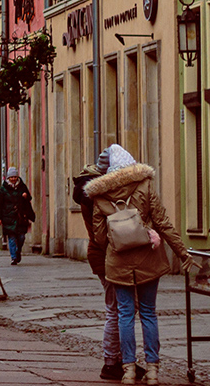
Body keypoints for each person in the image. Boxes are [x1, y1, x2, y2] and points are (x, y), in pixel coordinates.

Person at [85, 144, 195, 385]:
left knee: (124, 314)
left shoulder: (100, 196)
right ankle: (153, 370)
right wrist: (182, 252)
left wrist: (119, 242)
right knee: (148, 313)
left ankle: (128, 371)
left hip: (118, 262)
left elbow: (100, 236)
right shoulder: (145, 186)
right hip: (148, 258)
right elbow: (163, 222)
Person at [75, 148, 136, 381]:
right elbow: (102, 234)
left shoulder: (90, 192)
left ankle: (118, 360)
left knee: (120, 308)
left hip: (101, 255)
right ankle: (111, 362)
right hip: (104, 255)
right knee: (116, 308)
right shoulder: (95, 195)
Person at [0, 166, 35, 265]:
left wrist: (26, 196)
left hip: (20, 217)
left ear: (17, 177)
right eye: (11, 177)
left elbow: (29, 198)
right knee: (11, 238)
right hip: (8, 217)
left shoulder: (22, 186)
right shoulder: (4, 189)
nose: (13, 179)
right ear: (8, 178)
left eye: (15, 177)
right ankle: (13, 257)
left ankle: (18, 251)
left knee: (21, 237)